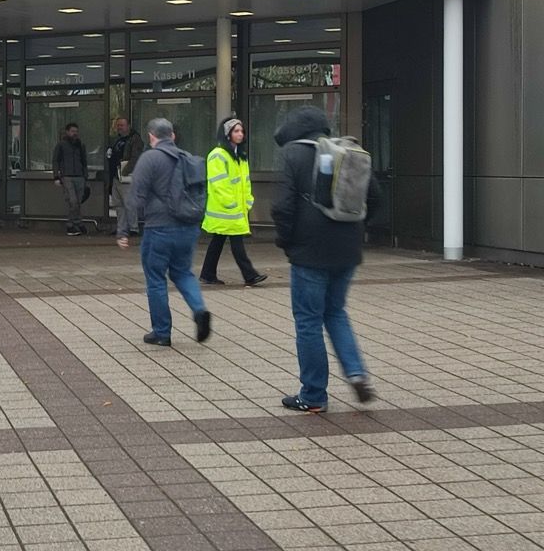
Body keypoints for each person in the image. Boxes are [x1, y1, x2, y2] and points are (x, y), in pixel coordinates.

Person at [271, 106, 381, 413]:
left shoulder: (292, 154)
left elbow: (282, 207)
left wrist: (286, 242)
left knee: (308, 321)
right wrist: (355, 228)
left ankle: (313, 395)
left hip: (309, 252)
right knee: (335, 312)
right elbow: (375, 198)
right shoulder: (348, 150)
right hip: (347, 250)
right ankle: (356, 373)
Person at [116, 118, 211, 347]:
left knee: (156, 278)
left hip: (159, 228)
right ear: (173, 136)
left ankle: (161, 332)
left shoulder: (149, 158)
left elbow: (135, 197)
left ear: (151, 136)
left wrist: (123, 230)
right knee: (183, 273)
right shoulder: (187, 158)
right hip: (188, 227)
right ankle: (199, 309)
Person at [199, 117, 267, 287]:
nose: (240, 134)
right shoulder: (217, 155)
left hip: (233, 209)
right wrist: (232, 204)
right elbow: (219, 183)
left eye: (241, 131)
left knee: (217, 241)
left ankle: (207, 274)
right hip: (225, 209)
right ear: (227, 134)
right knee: (237, 243)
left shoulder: (240, 156)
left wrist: (248, 201)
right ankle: (250, 275)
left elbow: (245, 182)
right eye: (236, 131)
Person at [106, 117, 144, 235]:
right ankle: (122, 227)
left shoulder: (135, 139)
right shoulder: (117, 140)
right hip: (116, 175)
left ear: (128, 126)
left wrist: (125, 171)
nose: (119, 128)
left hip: (126, 176)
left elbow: (135, 157)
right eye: (118, 125)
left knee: (129, 203)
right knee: (118, 204)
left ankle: (133, 228)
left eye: (122, 125)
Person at [52, 122, 88, 236]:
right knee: (73, 201)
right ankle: (71, 224)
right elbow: (55, 160)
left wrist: (85, 176)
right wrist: (56, 176)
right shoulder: (61, 145)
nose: (75, 133)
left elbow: (84, 162)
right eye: (72, 131)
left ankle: (77, 222)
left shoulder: (80, 145)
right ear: (67, 132)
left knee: (78, 202)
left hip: (79, 176)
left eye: (76, 131)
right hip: (67, 176)